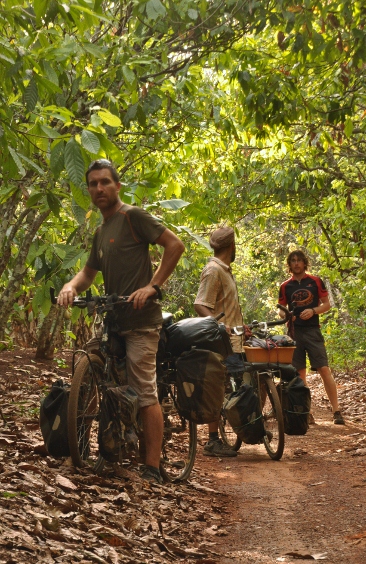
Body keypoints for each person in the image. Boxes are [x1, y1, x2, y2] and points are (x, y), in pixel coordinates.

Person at [58, 159, 185, 482]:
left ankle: (152, 467)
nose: (99, 188)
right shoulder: (101, 231)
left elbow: (175, 245)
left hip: (141, 322)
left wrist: (152, 286)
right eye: (93, 184)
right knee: (89, 368)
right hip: (113, 320)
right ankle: (101, 447)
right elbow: (88, 273)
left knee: (144, 390)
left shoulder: (133, 216)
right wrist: (70, 287)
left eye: (105, 182)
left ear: (117, 186)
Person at [278, 250, 344, 425]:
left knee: (324, 369)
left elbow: (327, 304)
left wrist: (313, 311)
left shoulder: (315, 281)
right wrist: (287, 315)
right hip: (294, 333)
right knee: (300, 373)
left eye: (299, 260)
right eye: (293, 260)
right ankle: (306, 412)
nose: (296, 263)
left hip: (313, 331)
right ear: (289, 264)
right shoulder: (285, 286)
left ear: (305, 263)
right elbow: (280, 309)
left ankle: (336, 411)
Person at [194, 227, 244, 457]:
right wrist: (217, 324)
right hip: (220, 341)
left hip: (234, 340)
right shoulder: (214, 270)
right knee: (218, 388)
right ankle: (213, 440)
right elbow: (200, 304)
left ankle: (243, 429)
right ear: (231, 246)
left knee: (234, 387)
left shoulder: (225, 270)